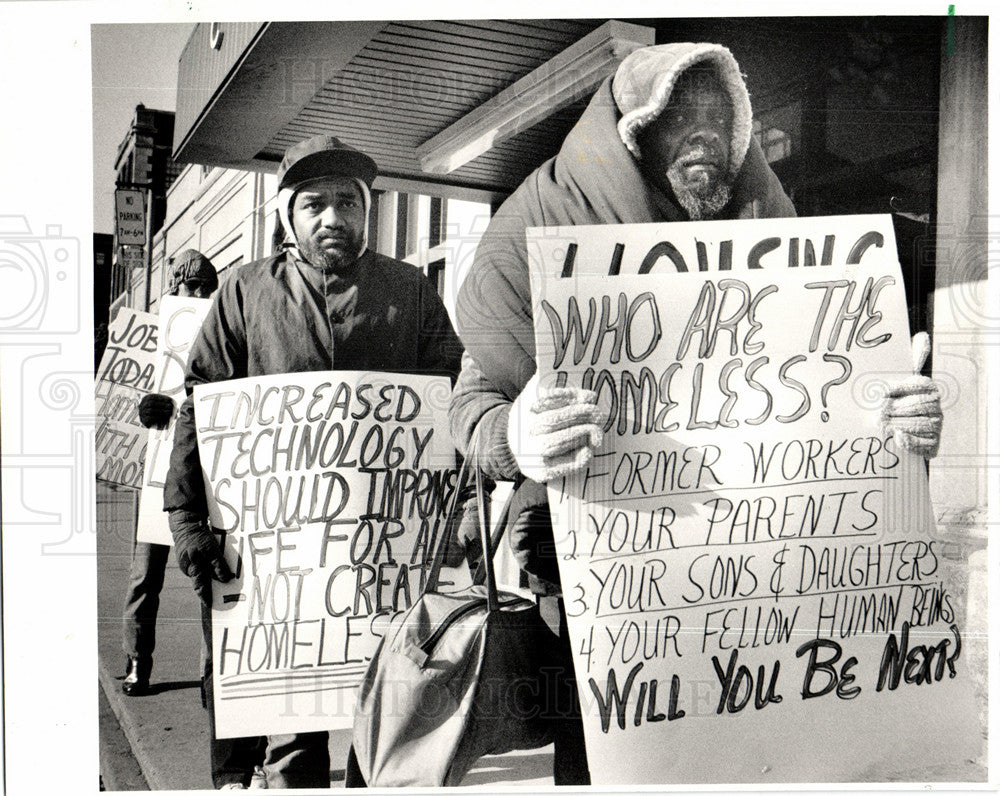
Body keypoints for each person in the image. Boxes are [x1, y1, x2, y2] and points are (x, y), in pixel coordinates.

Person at [447, 42, 942, 786]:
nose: (703, 135)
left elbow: (821, 398)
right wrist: (515, 434)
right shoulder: (540, 222)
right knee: (613, 766)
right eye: (680, 115)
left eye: (720, 117)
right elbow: (472, 400)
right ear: (633, 130)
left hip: (754, 576)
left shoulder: (774, 228)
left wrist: (894, 419)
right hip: (601, 580)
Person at [163, 134, 464, 789]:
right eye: (315, 205)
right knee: (291, 743)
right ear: (288, 216)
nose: (333, 218)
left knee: (381, 730)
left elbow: (452, 402)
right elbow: (201, 405)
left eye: (346, 204)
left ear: (366, 211)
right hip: (278, 569)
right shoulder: (244, 293)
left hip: (383, 555)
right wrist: (186, 519)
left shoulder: (410, 294)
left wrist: (461, 511)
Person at [124, 249, 219, 697]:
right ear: (175, 286)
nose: (199, 294)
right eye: (192, 286)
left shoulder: (221, 330)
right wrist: (146, 407)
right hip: (157, 477)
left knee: (207, 577)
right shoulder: (153, 333)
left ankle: (210, 674)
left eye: (206, 287)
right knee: (145, 577)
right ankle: (137, 661)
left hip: (199, 479)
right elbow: (121, 405)